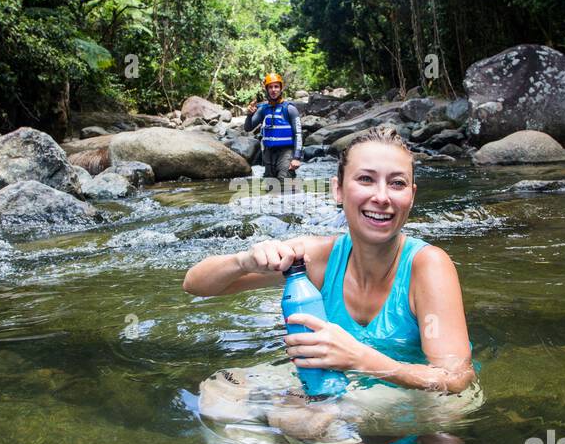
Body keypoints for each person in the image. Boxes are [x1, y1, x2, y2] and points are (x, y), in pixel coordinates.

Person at [183, 124, 476, 398]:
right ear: (338, 190)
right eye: (365, 179)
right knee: (219, 390)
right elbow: (196, 285)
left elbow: (457, 379)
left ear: (411, 196)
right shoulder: (316, 258)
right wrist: (244, 261)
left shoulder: (428, 266)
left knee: (307, 419)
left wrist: (361, 358)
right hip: (344, 389)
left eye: (397, 183)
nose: (382, 197)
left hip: (411, 399)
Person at [245, 72, 302, 187]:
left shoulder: (290, 109)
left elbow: (298, 134)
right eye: (270, 87)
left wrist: (296, 157)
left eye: (276, 86)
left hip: (286, 152)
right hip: (268, 153)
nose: (273, 90)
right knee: (269, 187)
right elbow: (248, 128)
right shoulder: (263, 109)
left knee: (284, 182)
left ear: (281, 88)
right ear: (266, 90)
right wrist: (249, 115)